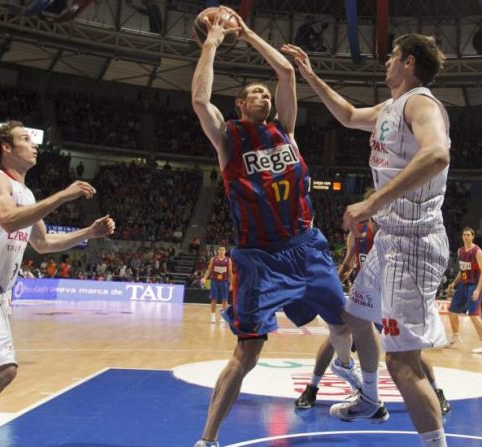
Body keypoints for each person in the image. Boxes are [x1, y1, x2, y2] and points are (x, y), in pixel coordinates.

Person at [190, 9, 358, 447]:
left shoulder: (286, 131)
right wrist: (212, 40)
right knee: (246, 354)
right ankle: (207, 438)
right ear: (241, 106)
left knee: (347, 324)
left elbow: (284, 71)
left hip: (305, 245)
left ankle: (343, 364)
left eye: (266, 91)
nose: (263, 94)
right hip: (260, 257)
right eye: (254, 93)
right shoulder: (228, 139)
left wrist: (245, 33)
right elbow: (198, 101)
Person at [284, 33, 451, 447]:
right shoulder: (390, 108)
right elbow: (347, 114)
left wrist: (370, 203)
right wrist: (310, 75)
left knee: (404, 363)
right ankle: (370, 400)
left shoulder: (421, 103)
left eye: (392, 57)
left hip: (413, 243)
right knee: (355, 317)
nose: (386, 64)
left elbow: (437, 155)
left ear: (408, 63)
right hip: (390, 241)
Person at [0, 120, 115, 445]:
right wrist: (64, 195)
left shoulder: (26, 193)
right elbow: (8, 221)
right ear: (6, 148)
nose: (33, 144)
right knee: (2, 371)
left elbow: (45, 244)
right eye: (25, 139)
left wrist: (88, 233)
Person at [296, 197, 451, 416]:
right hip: (367, 291)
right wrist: (334, 287)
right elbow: (349, 263)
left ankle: (437, 392)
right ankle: (312, 388)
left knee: (408, 347)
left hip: (391, 291)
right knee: (337, 332)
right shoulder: (357, 232)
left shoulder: (395, 230)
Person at [447, 227, 482, 354]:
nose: (466, 237)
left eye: (468, 235)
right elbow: (463, 271)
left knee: (473, 315)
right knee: (452, 311)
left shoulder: (477, 251)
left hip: (474, 285)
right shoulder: (460, 251)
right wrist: (454, 283)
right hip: (463, 285)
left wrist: (477, 290)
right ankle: (455, 336)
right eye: (464, 235)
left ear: (473, 237)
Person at [200, 246, 232, 325]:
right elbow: (209, 270)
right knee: (213, 299)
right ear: (218, 251)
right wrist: (204, 278)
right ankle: (213, 316)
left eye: (223, 250)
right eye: (220, 250)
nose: (221, 251)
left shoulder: (228, 260)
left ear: (225, 251)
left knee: (224, 300)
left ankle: (224, 317)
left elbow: (230, 273)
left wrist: (231, 284)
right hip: (215, 281)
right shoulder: (214, 259)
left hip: (224, 282)